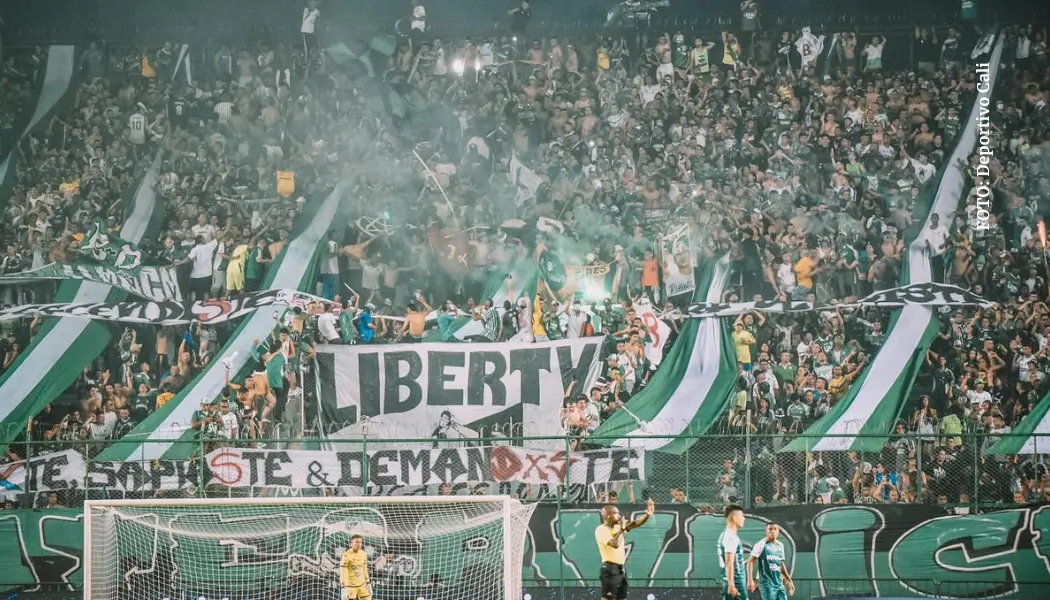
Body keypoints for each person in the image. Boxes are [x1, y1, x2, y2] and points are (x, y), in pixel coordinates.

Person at [594, 500, 655, 600]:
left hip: (620, 568)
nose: (619, 515)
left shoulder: (617, 528)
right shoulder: (601, 530)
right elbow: (615, 544)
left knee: (622, 597)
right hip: (609, 568)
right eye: (616, 513)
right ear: (608, 515)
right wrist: (622, 528)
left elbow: (635, 523)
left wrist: (647, 515)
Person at [747, 523, 795, 600]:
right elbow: (750, 561)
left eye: (775, 529)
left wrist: (789, 580)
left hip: (779, 584)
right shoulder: (761, 544)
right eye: (770, 529)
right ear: (766, 531)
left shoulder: (780, 545)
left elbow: (781, 564)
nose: (772, 531)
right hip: (767, 584)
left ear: (778, 532)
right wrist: (750, 580)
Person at [719, 504, 747, 600]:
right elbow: (729, 562)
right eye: (742, 516)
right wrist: (731, 585)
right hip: (736, 582)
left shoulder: (728, 534)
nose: (744, 518)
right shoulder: (730, 537)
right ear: (734, 518)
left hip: (733, 581)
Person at [340, 534, 372, 600]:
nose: (359, 544)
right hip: (350, 586)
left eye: (360, 542)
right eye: (357, 542)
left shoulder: (364, 554)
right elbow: (343, 572)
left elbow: (364, 569)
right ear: (351, 544)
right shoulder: (346, 556)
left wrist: (368, 583)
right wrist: (343, 587)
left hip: (362, 584)